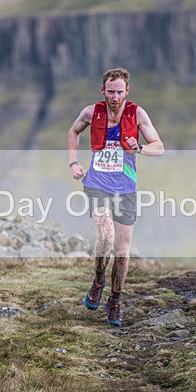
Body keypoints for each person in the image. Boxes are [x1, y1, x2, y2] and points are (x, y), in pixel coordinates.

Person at [67, 67, 164, 327]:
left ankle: (115, 301)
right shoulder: (91, 112)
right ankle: (99, 280)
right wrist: (74, 163)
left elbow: (159, 147)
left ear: (127, 91)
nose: (115, 97)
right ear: (103, 90)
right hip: (96, 184)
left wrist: (140, 148)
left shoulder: (137, 113)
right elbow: (73, 131)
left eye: (120, 92)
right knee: (106, 236)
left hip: (125, 188)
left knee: (122, 251)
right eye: (110, 92)